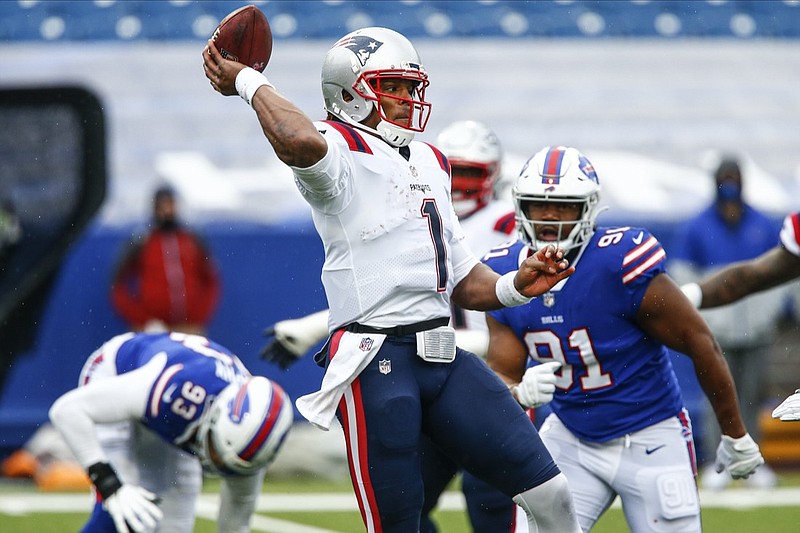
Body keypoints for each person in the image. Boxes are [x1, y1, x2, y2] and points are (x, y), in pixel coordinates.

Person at [203, 26, 581, 532]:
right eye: (393, 87)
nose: (407, 99)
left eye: (410, 87)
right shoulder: (336, 150)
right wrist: (250, 81)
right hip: (375, 360)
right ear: (350, 94)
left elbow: (463, 277)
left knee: (550, 492)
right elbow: (297, 140)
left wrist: (515, 284)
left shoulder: (429, 159)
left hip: (445, 357)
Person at [260, 119, 525, 532]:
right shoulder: (409, 198)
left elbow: (485, 298)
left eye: (472, 173)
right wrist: (314, 327)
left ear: (492, 175)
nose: (460, 184)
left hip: (486, 373)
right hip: (432, 373)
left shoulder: (506, 224)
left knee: (491, 499)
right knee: (405, 501)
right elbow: (389, 292)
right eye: (457, 171)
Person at [483, 145, 765, 533]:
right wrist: (518, 391)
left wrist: (735, 432)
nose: (549, 218)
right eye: (537, 205)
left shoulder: (618, 261)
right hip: (570, 433)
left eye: (563, 207)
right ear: (519, 207)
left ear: (589, 209)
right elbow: (499, 371)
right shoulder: (503, 271)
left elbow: (700, 341)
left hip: (650, 431)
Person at [48, 331, 294, 533]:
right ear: (215, 416)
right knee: (123, 513)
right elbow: (68, 411)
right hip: (117, 374)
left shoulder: (250, 446)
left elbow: (234, 526)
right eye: (215, 449)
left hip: (174, 419)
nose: (215, 462)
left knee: (172, 525)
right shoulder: (177, 389)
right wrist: (109, 483)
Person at [669, 157, 783, 490]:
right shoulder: (697, 227)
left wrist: (770, 311)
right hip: (716, 331)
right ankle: (718, 461)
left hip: (757, 328)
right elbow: (682, 276)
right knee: (714, 395)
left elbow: (782, 272)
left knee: (752, 393)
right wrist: (704, 316)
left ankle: (754, 459)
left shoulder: (762, 223)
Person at [678, 211, 800, 421]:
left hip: (756, 335)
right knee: (721, 406)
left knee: (750, 403)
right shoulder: (698, 226)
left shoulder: (759, 222)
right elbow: (751, 277)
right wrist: (685, 298)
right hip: (724, 334)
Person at [110, 185, 221, 335]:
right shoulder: (142, 240)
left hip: (188, 328)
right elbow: (117, 284)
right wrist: (142, 320)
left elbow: (212, 279)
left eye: (170, 204)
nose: (167, 210)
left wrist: (198, 316)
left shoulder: (191, 239)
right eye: (162, 205)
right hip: (151, 330)